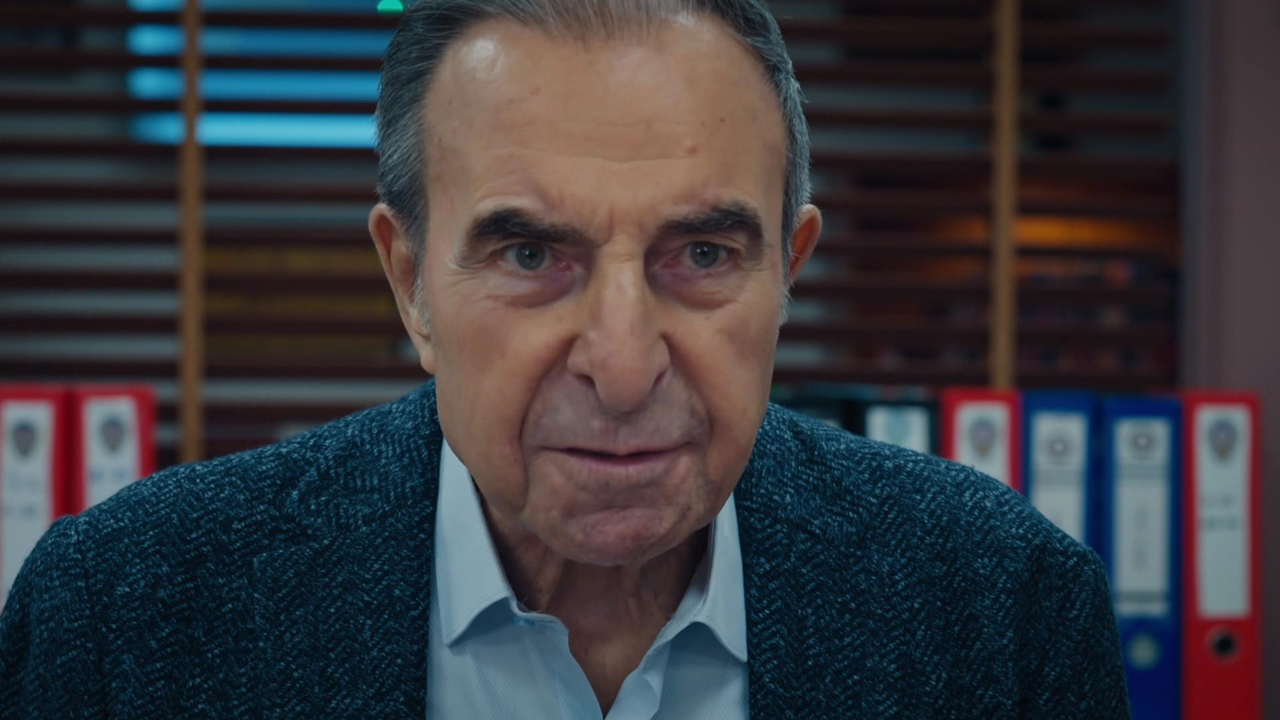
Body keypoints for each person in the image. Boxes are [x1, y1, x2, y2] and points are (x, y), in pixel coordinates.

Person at [0, 0, 1129, 717]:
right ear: (409, 281)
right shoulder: (120, 622)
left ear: (786, 272)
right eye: (532, 254)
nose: (623, 367)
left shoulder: (1005, 614)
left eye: (702, 253)